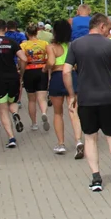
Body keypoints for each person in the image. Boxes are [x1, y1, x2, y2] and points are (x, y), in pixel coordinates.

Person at [63, 13, 111, 189]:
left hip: (86, 99)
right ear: (101, 26)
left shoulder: (76, 45)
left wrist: (71, 94)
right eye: (108, 27)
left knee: (90, 138)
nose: (110, 30)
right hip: (108, 97)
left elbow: (66, 71)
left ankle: (96, 178)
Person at [47, 20, 84, 158]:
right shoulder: (72, 46)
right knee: (74, 111)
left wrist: (45, 69)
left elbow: (51, 62)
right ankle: (78, 140)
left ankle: (61, 144)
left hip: (57, 77)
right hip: (72, 76)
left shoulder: (51, 47)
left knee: (58, 113)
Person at [21, 24, 51, 133]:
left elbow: (22, 60)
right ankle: (44, 112)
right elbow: (48, 58)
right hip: (42, 70)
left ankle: (34, 123)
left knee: (31, 100)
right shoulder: (44, 44)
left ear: (27, 33)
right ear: (37, 32)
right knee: (42, 98)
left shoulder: (23, 45)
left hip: (29, 71)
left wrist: (21, 73)